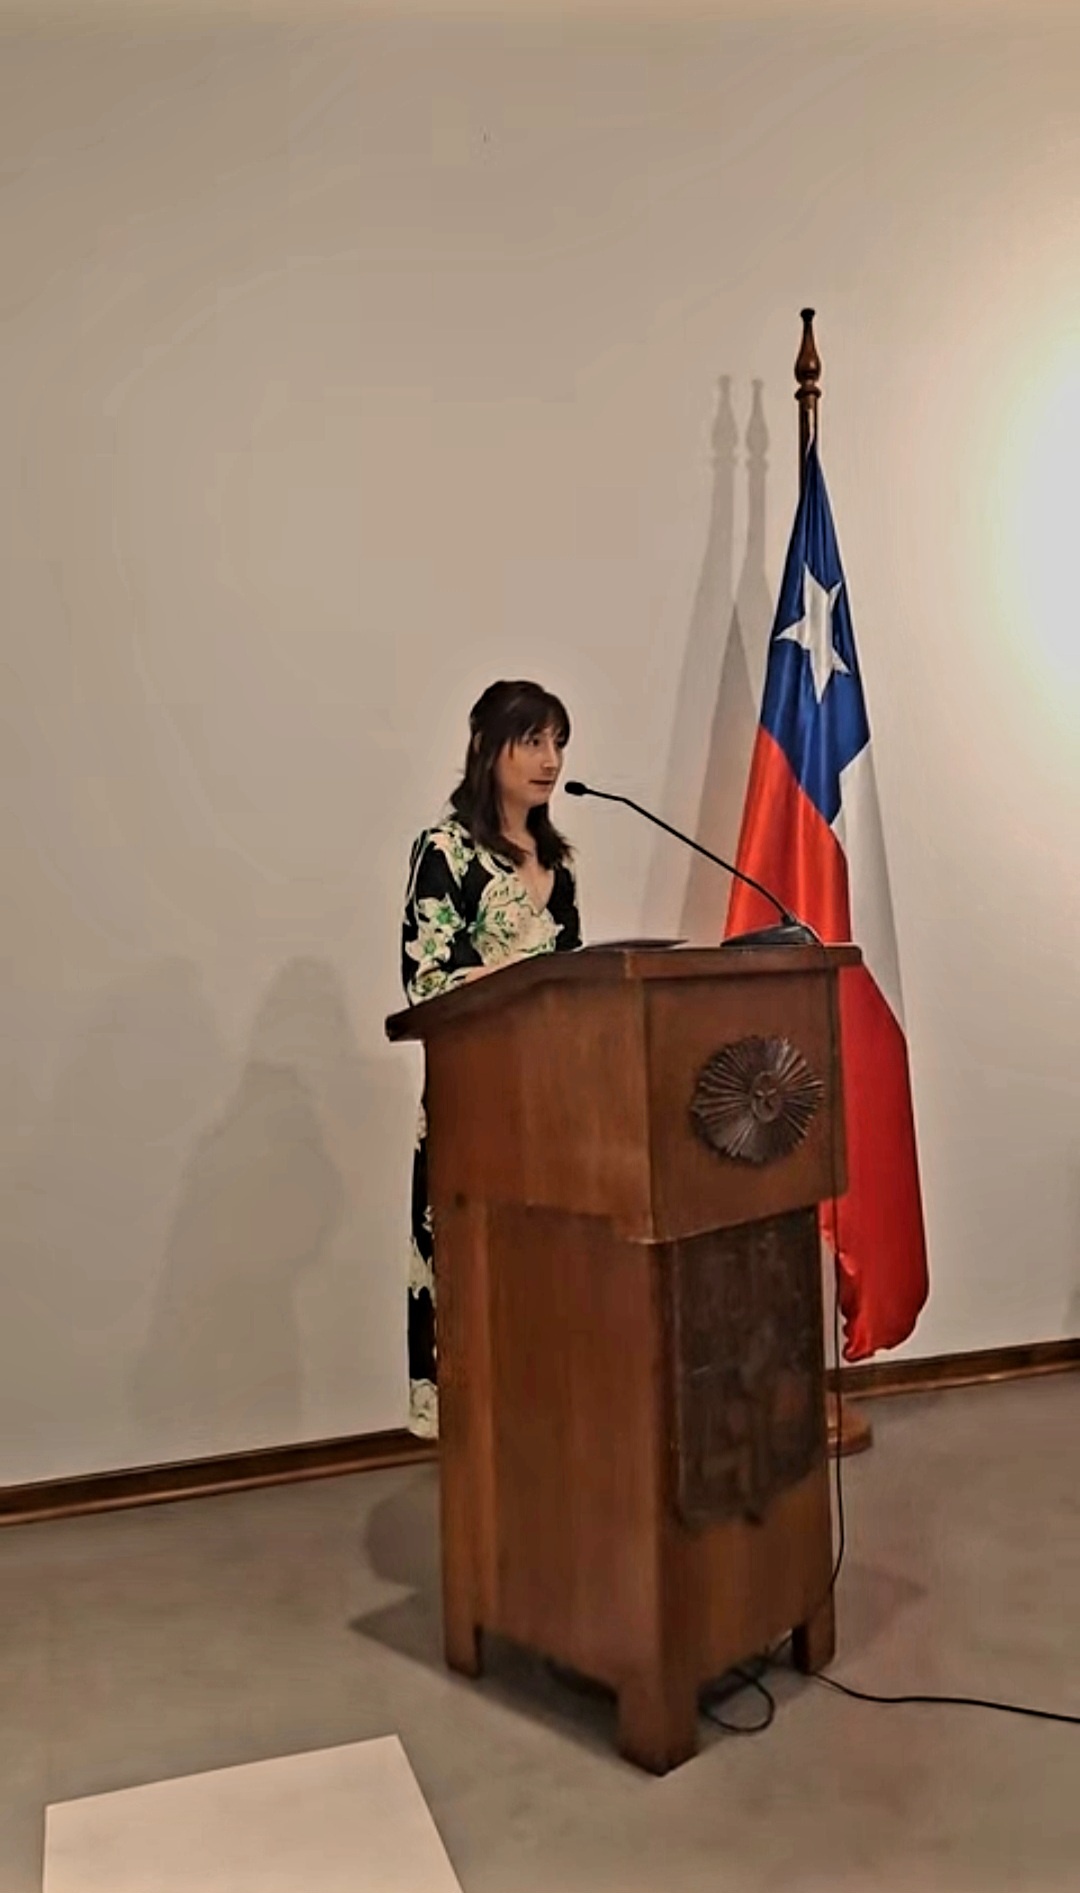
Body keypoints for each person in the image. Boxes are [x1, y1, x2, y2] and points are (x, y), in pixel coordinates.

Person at [401, 679, 582, 1438]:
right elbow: (426, 981)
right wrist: (507, 979)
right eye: (532, 741)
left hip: (557, 1110)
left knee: (548, 1297)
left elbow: (575, 984)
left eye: (557, 742)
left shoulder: (558, 863)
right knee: (477, 1299)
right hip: (477, 1110)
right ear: (486, 748)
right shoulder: (445, 851)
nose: (549, 759)